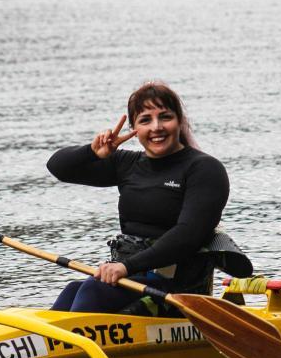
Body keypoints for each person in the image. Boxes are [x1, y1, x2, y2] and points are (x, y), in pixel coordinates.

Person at [46, 82, 252, 315]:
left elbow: (189, 234)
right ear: (134, 128)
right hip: (131, 278)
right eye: (145, 120)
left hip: (178, 291)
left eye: (165, 117)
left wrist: (125, 267)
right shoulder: (127, 164)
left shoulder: (204, 169)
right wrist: (92, 152)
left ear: (180, 121)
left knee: (93, 290)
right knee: (73, 289)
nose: (157, 127)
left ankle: (75, 347)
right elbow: (58, 167)